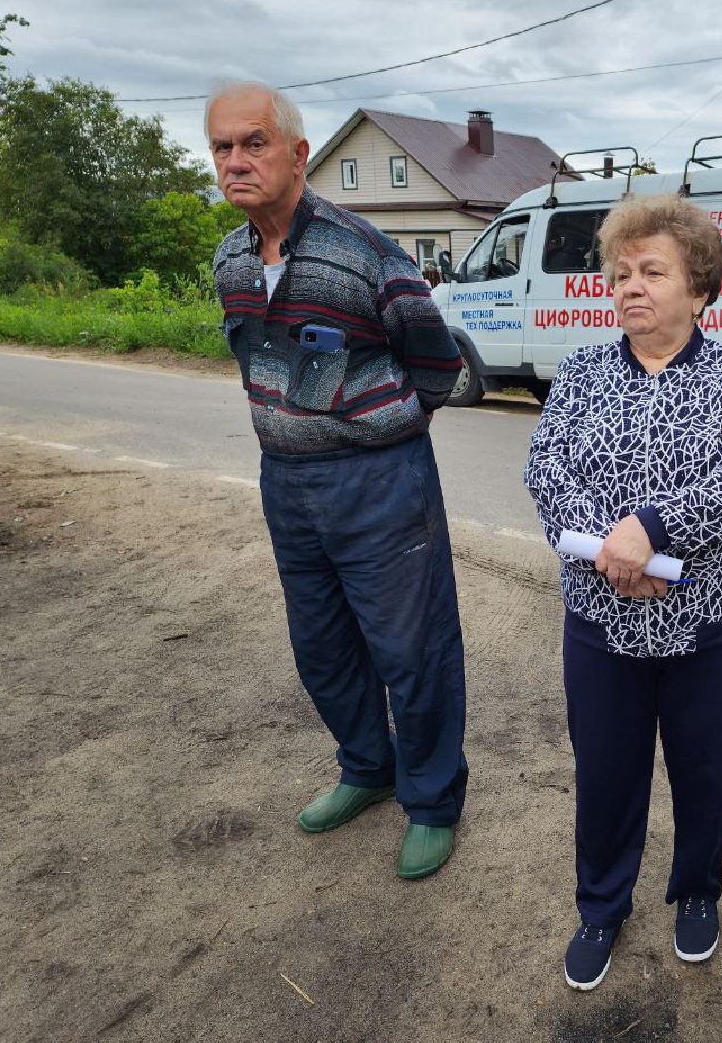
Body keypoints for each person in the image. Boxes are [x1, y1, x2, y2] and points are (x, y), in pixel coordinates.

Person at [207, 81, 468, 880]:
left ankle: (432, 800)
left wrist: (377, 431)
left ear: (297, 153)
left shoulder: (366, 254)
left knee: (411, 648)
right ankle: (367, 767)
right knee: (321, 647)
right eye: (222, 148)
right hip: (285, 483)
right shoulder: (230, 260)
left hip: (380, 482)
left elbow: (438, 365)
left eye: (253, 143)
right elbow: (255, 362)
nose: (236, 161)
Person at [525, 195, 722, 991]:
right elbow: (545, 470)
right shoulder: (580, 373)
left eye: (653, 271)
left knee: (708, 774)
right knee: (606, 774)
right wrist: (611, 550)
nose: (630, 286)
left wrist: (651, 528)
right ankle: (602, 904)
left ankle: (697, 893)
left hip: (715, 628)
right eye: (621, 272)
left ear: (700, 287)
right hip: (603, 621)